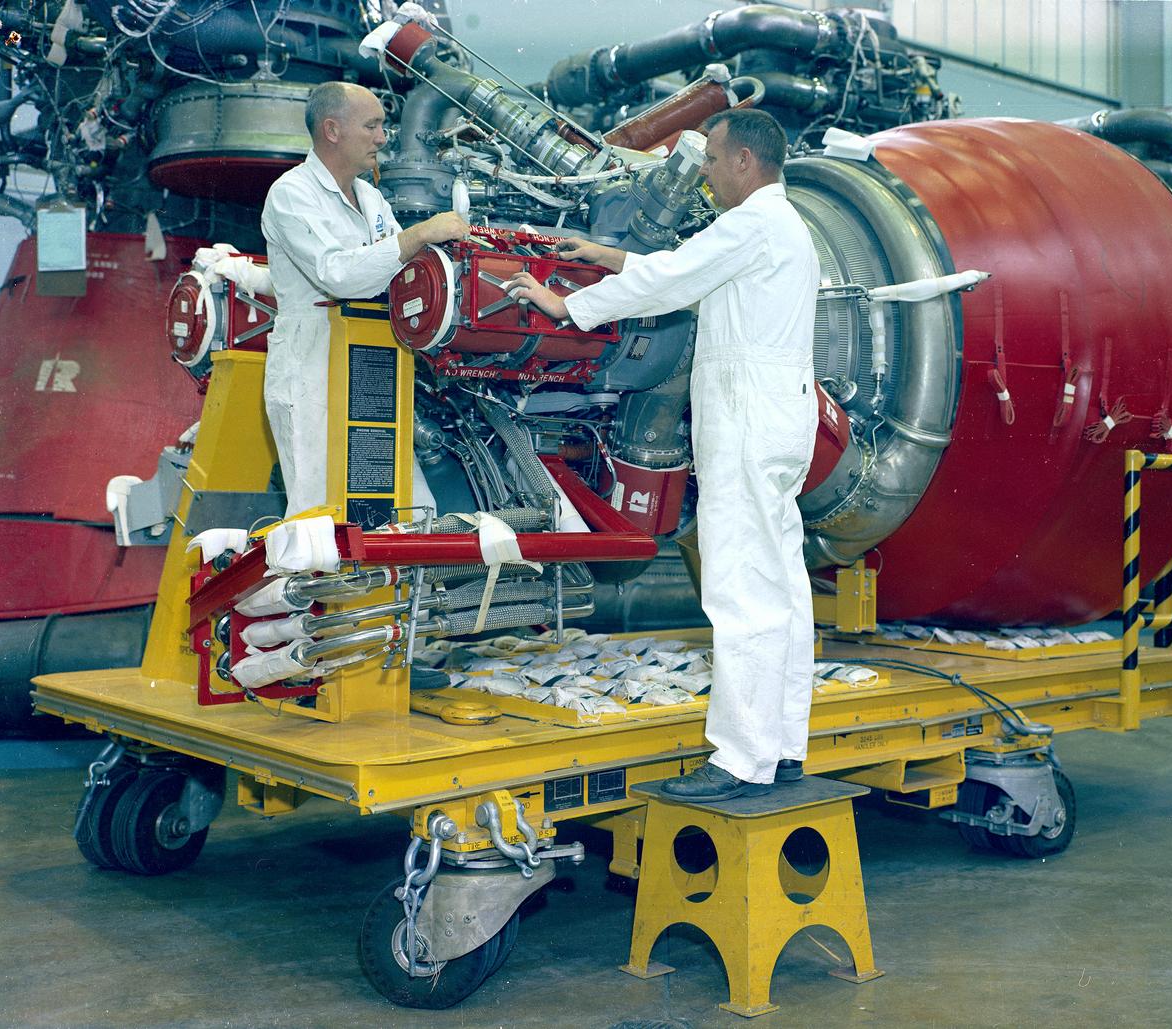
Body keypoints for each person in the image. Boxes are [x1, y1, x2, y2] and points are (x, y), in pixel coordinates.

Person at [510, 109, 819, 802]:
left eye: (710, 159)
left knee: (740, 587)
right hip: (778, 421)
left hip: (746, 421)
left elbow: (674, 280)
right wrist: (610, 257)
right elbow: (688, 269)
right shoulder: (781, 226)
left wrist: (567, 307)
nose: (704, 172)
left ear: (744, 160)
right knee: (783, 585)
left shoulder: (753, 223)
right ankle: (782, 745)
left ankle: (739, 759)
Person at [261, 81, 468, 517]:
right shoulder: (291, 194)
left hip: (375, 365)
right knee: (318, 520)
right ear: (332, 130)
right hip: (312, 367)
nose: (382, 136)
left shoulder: (371, 196)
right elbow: (337, 275)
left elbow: (399, 276)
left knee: (404, 511)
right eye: (372, 125)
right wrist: (418, 234)